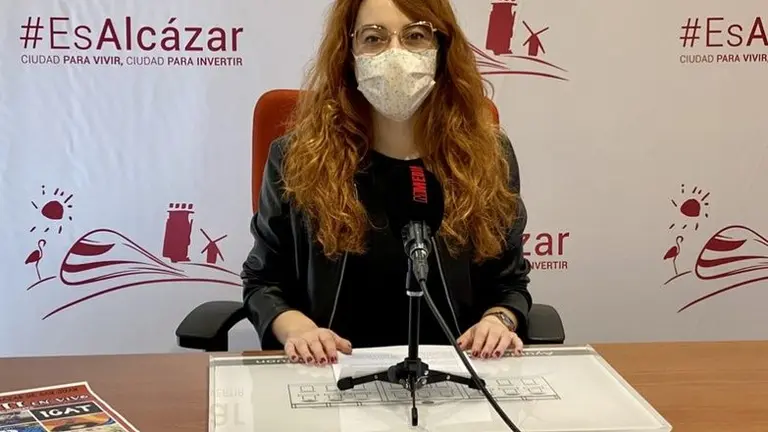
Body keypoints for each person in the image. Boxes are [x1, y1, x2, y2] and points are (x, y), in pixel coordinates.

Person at [241, 0, 532, 366]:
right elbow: (263, 282)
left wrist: (498, 321)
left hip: (456, 375)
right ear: (349, 54)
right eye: (374, 38)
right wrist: (297, 329)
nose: (396, 54)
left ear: (442, 49)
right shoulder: (295, 158)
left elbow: (509, 284)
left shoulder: (489, 157)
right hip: (333, 372)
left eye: (415, 36)